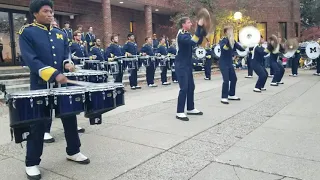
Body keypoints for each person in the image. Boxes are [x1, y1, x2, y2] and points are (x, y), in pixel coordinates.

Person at [19, 1, 90, 179]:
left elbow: (66, 53)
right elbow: (31, 59)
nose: (50, 14)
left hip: (61, 85)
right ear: (35, 13)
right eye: (45, 11)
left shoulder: (60, 34)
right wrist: (53, 74)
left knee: (70, 118)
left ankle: (73, 151)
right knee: (38, 123)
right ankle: (32, 162)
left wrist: (68, 64)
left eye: (51, 11)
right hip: (40, 85)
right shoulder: (27, 32)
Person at [175, 17, 205, 121]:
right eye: (189, 22)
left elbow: (197, 41)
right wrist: (199, 27)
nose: (191, 24)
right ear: (183, 24)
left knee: (191, 86)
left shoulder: (187, 34)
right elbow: (192, 42)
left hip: (187, 65)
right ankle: (179, 112)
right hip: (181, 65)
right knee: (184, 88)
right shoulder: (181, 35)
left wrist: (201, 30)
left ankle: (190, 108)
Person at [219, 26, 245, 104]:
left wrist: (247, 45)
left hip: (229, 63)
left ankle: (231, 94)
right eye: (230, 31)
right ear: (226, 32)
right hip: (223, 63)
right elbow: (224, 48)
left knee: (234, 79)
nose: (231, 32)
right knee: (226, 80)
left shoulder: (233, 40)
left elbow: (240, 48)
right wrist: (229, 41)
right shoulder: (222, 40)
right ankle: (224, 97)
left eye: (232, 31)